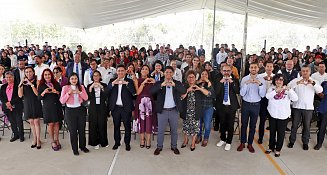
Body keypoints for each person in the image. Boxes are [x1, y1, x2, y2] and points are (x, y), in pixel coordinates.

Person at [150, 66, 186, 155]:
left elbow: (183, 90)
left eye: (170, 72)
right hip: (162, 111)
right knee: (161, 130)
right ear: (164, 73)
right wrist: (161, 85)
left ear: (173, 73)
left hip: (174, 111)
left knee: (174, 130)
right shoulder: (159, 83)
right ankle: (159, 147)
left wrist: (174, 85)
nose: (168, 74)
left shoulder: (177, 83)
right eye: (167, 72)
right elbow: (151, 91)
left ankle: (174, 146)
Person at [287, 65, 323, 150]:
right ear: (301, 72)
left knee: (307, 126)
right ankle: (292, 141)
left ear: (310, 72)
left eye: (307, 71)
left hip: (308, 108)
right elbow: (288, 87)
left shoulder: (314, 81)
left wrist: (313, 84)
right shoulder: (296, 80)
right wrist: (297, 83)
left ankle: (305, 142)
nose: (305, 73)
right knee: (294, 126)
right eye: (303, 71)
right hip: (297, 107)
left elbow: (320, 90)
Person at [265, 74, 298, 157]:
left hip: (283, 115)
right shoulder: (271, 88)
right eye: (276, 80)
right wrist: (276, 91)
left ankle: (278, 149)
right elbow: (267, 96)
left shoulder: (287, 90)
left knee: (281, 133)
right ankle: (271, 147)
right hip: (273, 114)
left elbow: (295, 99)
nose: (278, 81)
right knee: (272, 132)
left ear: (284, 81)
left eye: (280, 80)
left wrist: (289, 90)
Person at [238, 62, 266, 153]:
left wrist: (260, 84)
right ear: (249, 69)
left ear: (258, 69)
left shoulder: (262, 79)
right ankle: (242, 142)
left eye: (255, 67)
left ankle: (250, 143)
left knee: (253, 126)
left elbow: (262, 95)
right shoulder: (245, 79)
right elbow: (242, 94)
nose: (253, 69)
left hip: (256, 105)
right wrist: (246, 83)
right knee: (244, 125)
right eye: (251, 67)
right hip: (246, 104)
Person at [107, 64, 136, 151]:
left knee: (127, 126)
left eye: (122, 71)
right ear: (116, 72)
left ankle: (127, 143)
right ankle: (117, 142)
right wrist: (112, 84)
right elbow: (106, 92)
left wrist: (127, 84)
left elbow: (134, 94)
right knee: (116, 126)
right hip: (115, 108)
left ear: (125, 72)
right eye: (119, 71)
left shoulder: (129, 81)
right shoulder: (112, 80)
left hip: (126, 108)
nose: (120, 72)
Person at [60, 73, 89, 156]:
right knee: (73, 132)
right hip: (70, 111)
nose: (74, 80)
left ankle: (83, 146)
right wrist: (68, 93)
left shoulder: (81, 87)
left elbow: (86, 98)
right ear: (69, 79)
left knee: (82, 130)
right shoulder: (65, 88)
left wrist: (79, 92)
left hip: (80, 110)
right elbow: (62, 101)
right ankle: (75, 149)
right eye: (72, 79)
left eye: (75, 78)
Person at [180, 70, 210, 151]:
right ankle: (186, 140)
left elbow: (208, 94)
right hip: (186, 110)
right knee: (186, 127)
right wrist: (187, 90)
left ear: (195, 78)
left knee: (195, 128)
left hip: (196, 111)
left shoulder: (198, 86)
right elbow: (181, 97)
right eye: (189, 77)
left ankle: (193, 143)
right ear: (187, 78)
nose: (191, 78)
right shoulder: (184, 86)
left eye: (193, 77)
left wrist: (199, 89)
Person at [215, 65, 240, 151]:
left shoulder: (235, 80)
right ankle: (222, 139)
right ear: (221, 71)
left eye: (228, 71)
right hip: (221, 106)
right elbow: (216, 92)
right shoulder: (218, 80)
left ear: (231, 71)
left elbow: (237, 91)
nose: (226, 72)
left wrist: (231, 82)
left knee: (230, 125)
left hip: (231, 106)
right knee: (222, 124)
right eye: (224, 70)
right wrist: (221, 82)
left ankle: (229, 142)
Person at [38, 69, 63, 151]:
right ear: (43, 76)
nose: (47, 76)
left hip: (56, 105)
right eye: (45, 74)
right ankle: (52, 141)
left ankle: (57, 139)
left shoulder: (56, 83)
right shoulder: (41, 85)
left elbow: (61, 93)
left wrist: (56, 91)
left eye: (49, 74)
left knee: (57, 123)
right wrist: (43, 92)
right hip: (47, 107)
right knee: (51, 124)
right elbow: (39, 98)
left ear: (51, 75)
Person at [18, 66, 43, 147]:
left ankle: (38, 139)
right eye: (27, 72)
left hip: (36, 102)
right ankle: (34, 139)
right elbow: (20, 95)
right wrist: (20, 84)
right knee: (31, 122)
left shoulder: (37, 81)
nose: (28, 73)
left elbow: (37, 94)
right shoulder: (23, 82)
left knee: (36, 121)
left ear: (33, 72)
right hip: (27, 103)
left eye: (30, 71)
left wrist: (31, 84)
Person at [134, 65, 156, 149]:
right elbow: (138, 92)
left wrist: (154, 82)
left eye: (146, 69)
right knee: (141, 121)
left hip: (150, 102)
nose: (144, 70)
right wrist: (144, 82)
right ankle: (142, 140)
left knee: (149, 122)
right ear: (140, 71)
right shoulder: (137, 80)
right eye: (143, 69)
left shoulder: (152, 80)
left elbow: (156, 91)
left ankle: (148, 140)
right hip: (140, 102)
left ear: (148, 71)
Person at [87, 70, 109, 149]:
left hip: (102, 106)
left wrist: (102, 87)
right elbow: (87, 97)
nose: (96, 77)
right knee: (93, 124)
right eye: (94, 76)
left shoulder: (104, 85)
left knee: (102, 124)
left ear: (100, 77)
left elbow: (107, 96)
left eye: (97, 75)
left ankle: (103, 142)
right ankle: (94, 143)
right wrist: (91, 88)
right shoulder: (89, 85)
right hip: (93, 107)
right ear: (92, 77)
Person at [0, 72, 24, 142]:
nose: (8, 79)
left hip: (17, 106)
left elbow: (19, 97)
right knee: (12, 121)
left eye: (10, 77)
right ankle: (16, 134)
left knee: (19, 121)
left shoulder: (17, 85)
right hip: (7, 107)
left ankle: (21, 135)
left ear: (13, 77)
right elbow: (1, 96)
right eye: (7, 77)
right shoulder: (3, 86)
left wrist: (11, 103)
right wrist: (6, 103)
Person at [195, 70, 215, 147]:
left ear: (208, 75)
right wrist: (198, 81)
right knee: (198, 124)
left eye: (205, 74)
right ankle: (199, 136)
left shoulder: (211, 83)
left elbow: (211, 94)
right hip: (199, 107)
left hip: (208, 107)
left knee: (207, 125)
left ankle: (206, 138)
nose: (204, 75)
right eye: (202, 74)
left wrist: (208, 82)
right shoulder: (197, 83)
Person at [257, 61, 275, 144]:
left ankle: (273, 139)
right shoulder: (260, 76)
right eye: (267, 66)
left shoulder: (275, 77)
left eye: (271, 66)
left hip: (273, 101)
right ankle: (260, 137)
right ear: (265, 67)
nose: (269, 68)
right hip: (263, 100)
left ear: (273, 68)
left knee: (272, 121)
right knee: (262, 120)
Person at [314, 80, 327, 150]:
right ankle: (319, 144)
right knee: (322, 128)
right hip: (324, 109)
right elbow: (320, 95)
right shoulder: (324, 83)